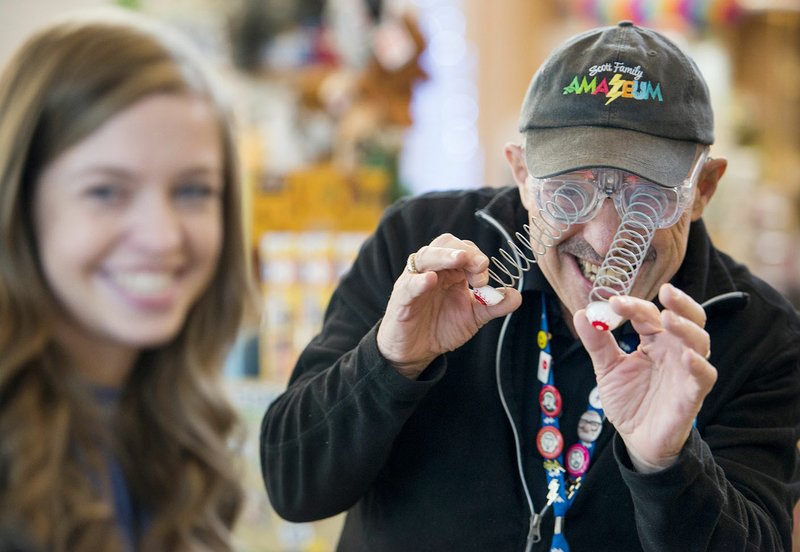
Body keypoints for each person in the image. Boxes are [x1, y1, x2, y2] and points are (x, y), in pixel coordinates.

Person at [261, 21, 800, 551]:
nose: (607, 235)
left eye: (647, 196)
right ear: (522, 174)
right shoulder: (422, 248)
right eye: (572, 190)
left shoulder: (757, 333)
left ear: (702, 189)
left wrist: (669, 466)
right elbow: (293, 487)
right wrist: (390, 363)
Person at [0, 9, 252, 552]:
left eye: (192, 191)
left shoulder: (169, 424)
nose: (162, 237)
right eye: (106, 191)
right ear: (18, 206)